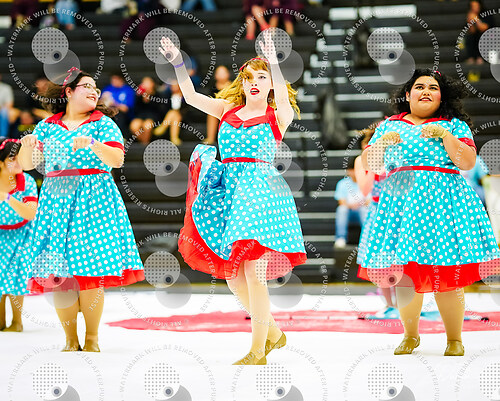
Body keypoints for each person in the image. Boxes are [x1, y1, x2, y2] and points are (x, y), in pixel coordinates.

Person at [159, 32, 307, 365]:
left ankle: (258, 351)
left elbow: (281, 92)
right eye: (249, 77)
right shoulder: (227, 108)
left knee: (254, 272)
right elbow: (190, 96)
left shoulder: (278, 115)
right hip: (229, 192)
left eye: (261, 77)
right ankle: (274, 333)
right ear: (242, 83)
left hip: (260, 192)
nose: (255, 82)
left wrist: (274, 63)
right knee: (232, 276)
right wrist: (178, 62)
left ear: (271, 84)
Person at [359, 68, 500, 356]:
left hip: (444, 206)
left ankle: (454, 339)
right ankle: (410, 335)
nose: (426, 91)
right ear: (407, 94)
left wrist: (445, 135)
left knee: (447, 273)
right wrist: (382, 143)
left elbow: (467, 162)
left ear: (442, 96)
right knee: (405, 273)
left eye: (433, 87)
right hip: (401, 206)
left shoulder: (454, 124)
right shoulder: (388, 125)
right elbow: (370, 164)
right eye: (419, 86)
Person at [18, 68, 145, 352]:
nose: (94, 92)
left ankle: (92, 338)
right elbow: (27, 164)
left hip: (94, 201)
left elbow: (117, 159)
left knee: (91, 271)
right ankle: (70, 339)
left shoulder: (103, 123)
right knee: (59, 274)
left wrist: (94, 144)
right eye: (87, 86)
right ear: (69, 92)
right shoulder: (46, 126)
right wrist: (27, 146)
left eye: (96, 88)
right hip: (56, 201)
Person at [0, 138, 38, 332]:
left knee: (17, 274)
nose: (18, 162)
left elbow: (31, 213)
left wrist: (7, 197)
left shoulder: (27, 181)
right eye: (12, 158)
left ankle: (17, 321)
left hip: (22, 234)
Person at [333, 157, 369, 249]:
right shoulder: (342, 184)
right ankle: (341, 238)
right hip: (349, 211)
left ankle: (368, 238)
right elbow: (342, 202)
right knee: (342, 210)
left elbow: (370, 201)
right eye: (354, 170)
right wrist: (352, 205)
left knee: (364, 210)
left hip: (362, 210)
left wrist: (360, 205)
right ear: (349, 171)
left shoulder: (367, 182)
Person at [130, 76, 166, 144]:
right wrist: (140, 96)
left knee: (147, 126)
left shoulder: (158, 95)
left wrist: (149, 98)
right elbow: (135, 109)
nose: (145, 85)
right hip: (140, 116)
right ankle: (144, 144)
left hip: (153, 116)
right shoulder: (139, 95)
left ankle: (144, 144)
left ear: (152, 84)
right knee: (134, 126)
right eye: (144, 83)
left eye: (148, 83)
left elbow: (160, 110)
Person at [101, 72, 136, 137]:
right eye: (112, 79)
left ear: (121, 80)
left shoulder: (128, 90)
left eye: (115, 79)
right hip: (108, 112)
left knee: (118, 116)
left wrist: (114, 103)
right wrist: (103, 99)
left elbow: (126, 109)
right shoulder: (107, 89)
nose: (113, 81)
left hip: (124, 115)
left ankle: (121, 137)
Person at [205, 65, 231, 145]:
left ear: (228, 74)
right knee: (211, 114)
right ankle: (210, 138)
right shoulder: (212, 87)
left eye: (223, 73)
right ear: (215, 75)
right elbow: (209, 100)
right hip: (217, 109)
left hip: (229, 109)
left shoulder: (232, 86)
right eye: (219, 73)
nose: (221, 75)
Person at [465, 0, 494, 65]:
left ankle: (480, 57)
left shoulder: (486, 14)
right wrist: (470, 21)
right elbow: (471, 31)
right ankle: (472, 57)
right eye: (473, 6)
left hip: (489, 36)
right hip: (476, 36)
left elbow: (483, 28)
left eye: (476, 6)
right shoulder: (470, 15)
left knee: (481, 36)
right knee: (470, 37)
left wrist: (476, 20)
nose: (475, 8)